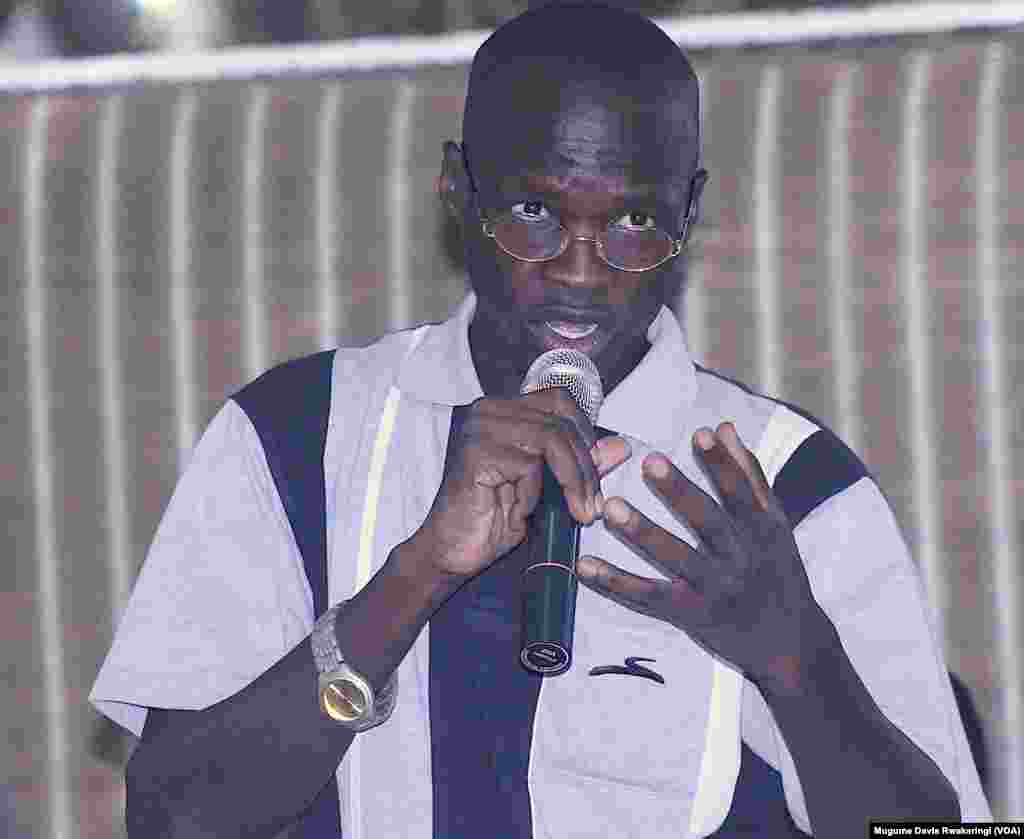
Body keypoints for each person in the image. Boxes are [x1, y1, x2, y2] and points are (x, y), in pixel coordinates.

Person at [89, 2, 992, 837]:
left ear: (690, 209)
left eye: (636, 220)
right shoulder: (291, 438)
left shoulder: (785, 485)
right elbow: (173, 817)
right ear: (458, 190)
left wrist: (799, 663)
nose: (583, 273)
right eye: (535, 213)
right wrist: (412, 577)